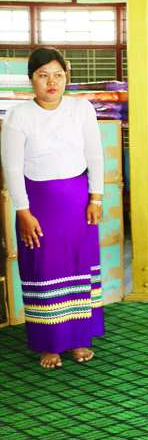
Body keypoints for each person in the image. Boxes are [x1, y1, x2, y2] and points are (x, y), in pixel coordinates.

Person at [0, 47, 104, 369]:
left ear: (66, 78)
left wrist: (96, 197)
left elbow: (95, 154)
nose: (51, 82)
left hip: (78, 201)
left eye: (58, 75)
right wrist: (23, 211)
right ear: (31, 79)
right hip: (38, 204)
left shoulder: (81, 108)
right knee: (44, 268)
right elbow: (12, 167)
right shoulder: (18, 116)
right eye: (43, 75)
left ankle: (79, 339)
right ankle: (50, 344)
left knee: (78, 264)